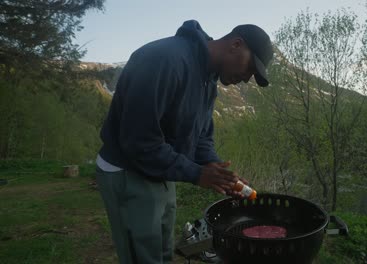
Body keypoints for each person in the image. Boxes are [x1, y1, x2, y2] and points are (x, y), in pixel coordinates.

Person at [95, 20, 273, 263]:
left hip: (161, 170)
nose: (247, 79)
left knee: (162, 250)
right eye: (250, 68)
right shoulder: (166, 60)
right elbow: (139, 141)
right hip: (128, 171)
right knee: (143, 255)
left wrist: (218, 171)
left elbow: (201, 137)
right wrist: (197, 174)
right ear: (236, 44)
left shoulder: (207, 78)